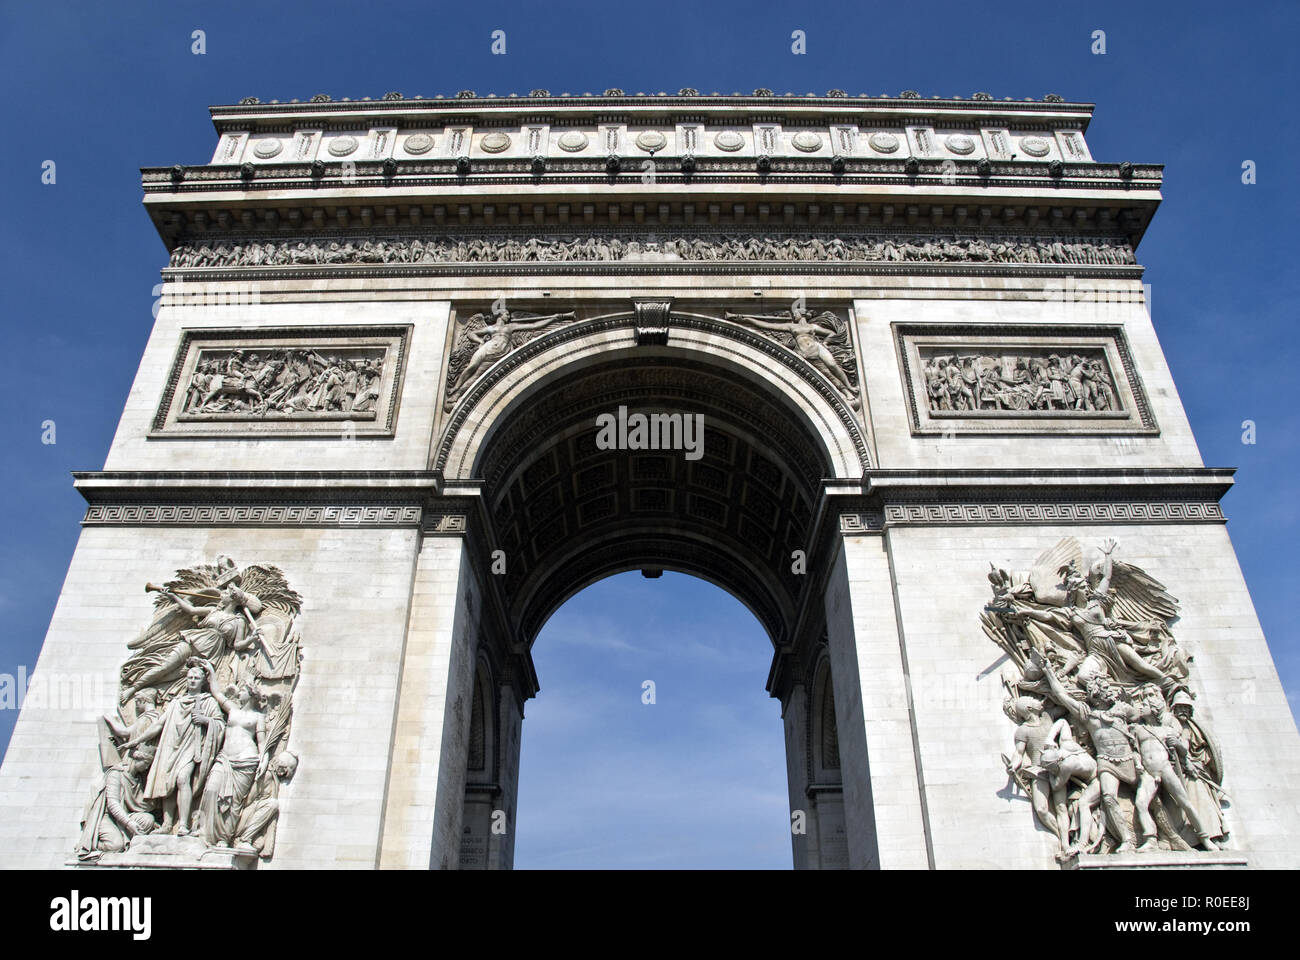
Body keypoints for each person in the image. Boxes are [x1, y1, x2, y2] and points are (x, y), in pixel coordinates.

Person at [124, 662, 223, 836]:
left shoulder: (208, 702)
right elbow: (158, 725)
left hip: (191, 747)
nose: (192, 681)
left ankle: (183, 824)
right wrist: (137, 740)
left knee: (182, 778)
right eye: (190, 677)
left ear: (203, 681)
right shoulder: (176, 702)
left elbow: (220, 724)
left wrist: (205, 720)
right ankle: (167, 824)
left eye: (196, 678)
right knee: (167, 782)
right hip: (171, 746)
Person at [195, 659, 270, 848]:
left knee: (233, 803)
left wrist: (265, 758)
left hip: (245, 761)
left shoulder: (257, 717)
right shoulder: (233, 710)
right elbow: (217, 693)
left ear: (251, 695)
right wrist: (211, 671)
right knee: (211, 790)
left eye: (243, 691)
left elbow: (261, 742)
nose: (240, 693)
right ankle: (204, 832)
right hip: (225, 759)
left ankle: (223, 838)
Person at [76, 744, 159, 860]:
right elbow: (113, 804)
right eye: (146, 764)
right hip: (107, 817)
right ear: (138, 758)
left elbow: (137, 805)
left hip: (124, 816)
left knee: (148, 819)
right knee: (115, 845)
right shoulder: (116, 774)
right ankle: (92, 843)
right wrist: (129, 823)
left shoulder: (137, 779)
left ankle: (130, 841)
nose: (146, 768)